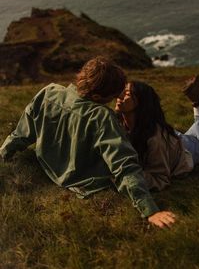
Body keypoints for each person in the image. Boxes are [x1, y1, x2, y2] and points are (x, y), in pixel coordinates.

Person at [0, 56, 176, 228]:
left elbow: (21, 133)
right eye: (112, 96)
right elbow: (123, 164)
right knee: (189, 144)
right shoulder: (101, 116)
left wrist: (3, 153)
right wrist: (149, 210)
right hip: (84, 182)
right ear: (99, 96)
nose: (115, 100)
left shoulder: (48, 93)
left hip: (50, 167)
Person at [115, 76, 199, 191]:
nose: (119, 95)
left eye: (127, 94)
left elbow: (160, 178)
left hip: (184, 151)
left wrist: (131, 176)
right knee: (198, 132)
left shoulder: (154, 140)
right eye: (122, 91)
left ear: (141, 103)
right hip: (174, 139)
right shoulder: (118, 124)